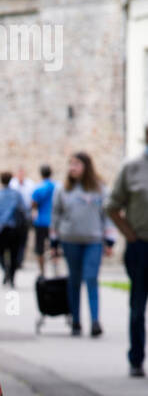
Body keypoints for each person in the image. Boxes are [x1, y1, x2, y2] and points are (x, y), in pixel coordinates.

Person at [50, 152, 114, 337]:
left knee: (91, 278)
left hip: (93, 240)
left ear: (86, 166)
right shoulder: (63, 189)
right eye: (70, 164)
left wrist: (109, 239)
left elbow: (107, 215)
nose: (72, 168)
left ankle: (95, 320)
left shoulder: (99, 189)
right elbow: (55, 216)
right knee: (74, 280)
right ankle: (76, 320)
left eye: (76, 164)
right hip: (70, 240)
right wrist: (54, 241)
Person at [106, 121, 148, 376]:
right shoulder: (132, 168)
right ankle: (136, 358)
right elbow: (111, 206)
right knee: (138, 304)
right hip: (141, 246)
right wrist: (129, 234)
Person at [0, 171, 28, 287]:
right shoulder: (16, 194)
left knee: (0, 253)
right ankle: (11, 276)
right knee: (14, 254)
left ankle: (6, 270)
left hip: (0, 228)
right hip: (14, 228)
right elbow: (24, 209)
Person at [31, 165, 57, 277]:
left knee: (40, 248)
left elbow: (33, 205)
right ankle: (56, 271)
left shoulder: (38, 188)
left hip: (41, 221)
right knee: (54, 246)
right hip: (54, 222)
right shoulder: (57, 187)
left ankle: (42, 272)